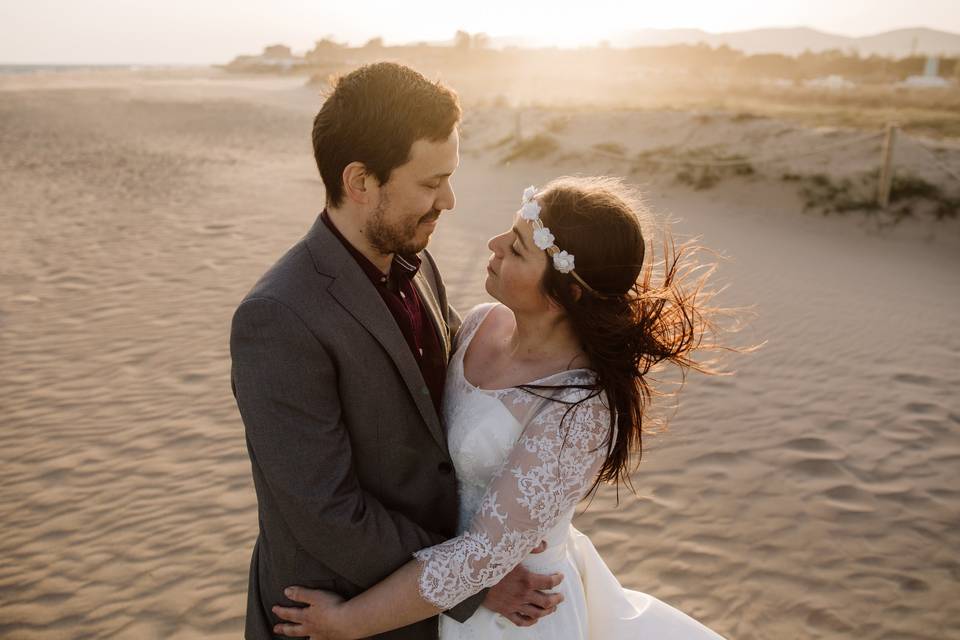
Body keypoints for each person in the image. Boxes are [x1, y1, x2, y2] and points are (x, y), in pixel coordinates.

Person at [270, 177, 729, 639]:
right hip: (434, 595)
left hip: (513, 616)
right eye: (509, 231)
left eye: (517, 248)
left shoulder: (580, 409)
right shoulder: (479, 323)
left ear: (563, 295)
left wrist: (349, 622)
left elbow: (481, 557)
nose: (494, 244)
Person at [230, 62, 563, 640]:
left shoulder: (416, 258)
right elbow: (326, 513)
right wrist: (475, 578)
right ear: (360, 182)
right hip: (335, 611)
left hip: (427, 604)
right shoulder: (278, 318)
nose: (450, 200)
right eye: (431, 183)